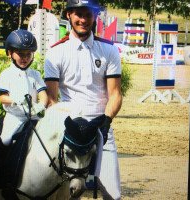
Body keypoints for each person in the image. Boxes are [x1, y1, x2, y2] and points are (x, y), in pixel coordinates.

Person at [44, 0, 122, 199]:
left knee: (113, 194)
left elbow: (115, 94)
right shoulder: (55, 52)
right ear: (69, 15)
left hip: (100, 127)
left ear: (95, 16)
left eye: (88, 14)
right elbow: (52, 99)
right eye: (78, 14)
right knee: (67, 194)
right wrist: (66, 124)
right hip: (70, 130)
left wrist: (106, 120)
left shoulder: (109, 50)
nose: (83, 20)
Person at [0, 29, 48, 186]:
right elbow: (2, 97)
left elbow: (43, 94)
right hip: (15, 116)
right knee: (6, 138)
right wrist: (15, 101)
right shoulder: (7, 74)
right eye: (20, 54)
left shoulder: (35, 74)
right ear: (10, 53)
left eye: (28, 54)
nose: (25, 58)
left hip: (34, 115)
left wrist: (41, 105)